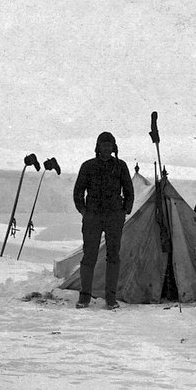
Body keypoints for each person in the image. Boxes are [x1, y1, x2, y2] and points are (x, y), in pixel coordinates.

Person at [73, 131, 134, 309]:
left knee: (113, 256)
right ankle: (84, 297)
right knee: (89, 255)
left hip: (114, 217)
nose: (106, 148)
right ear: (98, 147)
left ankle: (111, 298)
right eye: (103, 145)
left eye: (109, 145)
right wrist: (84, 211)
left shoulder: (120, 166)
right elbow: (78, 192)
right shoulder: (88, 166)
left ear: (113, 147)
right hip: (93, 216)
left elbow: (129, 191)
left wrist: (124, 212)